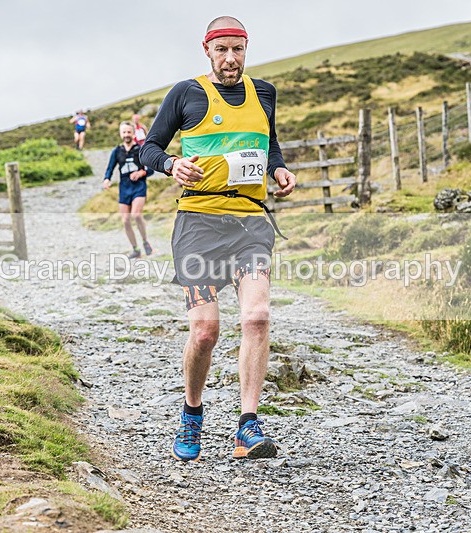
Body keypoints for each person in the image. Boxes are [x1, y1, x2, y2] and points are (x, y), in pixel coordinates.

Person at [139, 15, 296, 462]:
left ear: (247, 49)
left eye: (239, 49)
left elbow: (269, 144)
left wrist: (277, 168)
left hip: (250, 221)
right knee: (206, 331)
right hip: (199, 224)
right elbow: (149, 147)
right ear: (207, 50)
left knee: (258, 317)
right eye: (222, 49)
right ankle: (192, 412)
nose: (231, 58)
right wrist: (171, 165)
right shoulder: (186, 93)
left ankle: (247, 426)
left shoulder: (263, 93)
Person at [104, 121, 155, 259]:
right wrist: (107, 179)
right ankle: (135, 249)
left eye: (129, 132)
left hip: (139, 187)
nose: (126, 134)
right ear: (121, 134)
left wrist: (140, 173)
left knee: (136, 215)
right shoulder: (117, 151)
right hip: (124, 188)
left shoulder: (140, 149)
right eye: (124, 132)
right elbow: (110, 168)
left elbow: (150, 170)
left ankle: (145, 242)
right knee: (125, 220)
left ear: (133, 133)